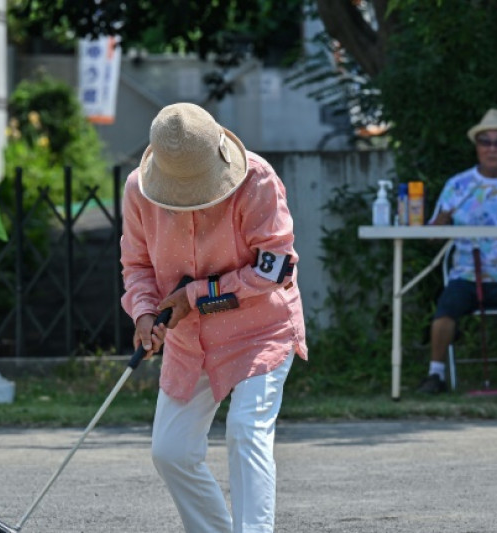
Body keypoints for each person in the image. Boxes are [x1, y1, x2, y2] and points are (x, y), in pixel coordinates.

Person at [120, 102, 308, 532]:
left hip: (261, 331)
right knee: (171, 452)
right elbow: (136, 266)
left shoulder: (256, 179)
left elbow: (276, 266)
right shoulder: (138, 189)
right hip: (189, 340)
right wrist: (146, 313)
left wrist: (197, 295)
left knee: (245, 432)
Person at [417, 108, 497, 394]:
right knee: (445, 308)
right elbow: (433, 237)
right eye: (485, 142)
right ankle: (435, 375)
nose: (492, 148)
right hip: (466, 272)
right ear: (476, 148)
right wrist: (439, 222)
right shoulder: (458, 185)